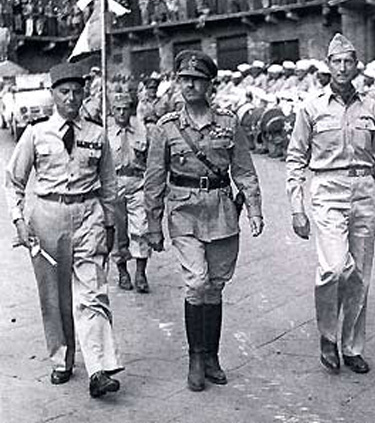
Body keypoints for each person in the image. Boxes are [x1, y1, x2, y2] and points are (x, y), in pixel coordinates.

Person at [286, 33, 375, 375]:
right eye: (336, 61)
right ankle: (328, 335)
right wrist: (297, 206)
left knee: (360, 275)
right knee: (334, 268)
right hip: (327, 188)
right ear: (328, 66)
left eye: (348, 61)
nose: (342, 67)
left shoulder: (372, 108)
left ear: (356, 66)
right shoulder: (311, 107)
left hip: (365, 189)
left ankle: (352, 347)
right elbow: (295, 158)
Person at [144, 50, 264, 392]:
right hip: (184, 213)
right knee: (196, 282)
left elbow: (243, 168)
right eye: (184, 79)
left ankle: (211, 357)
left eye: (196, 79)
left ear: (210, 84)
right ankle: (195, 357)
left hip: (222, 211)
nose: (189, 85)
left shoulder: (228, 122)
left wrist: (254, 208)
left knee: (215, 285)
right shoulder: (166, 127)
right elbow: (154, 178)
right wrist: (153, 224)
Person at [5, 62, 123, 398]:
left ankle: (99, 368)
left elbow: (110, 184)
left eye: (77, 91)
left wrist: (110, 222)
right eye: (64, 92)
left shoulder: (96, 134)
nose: (71, 98)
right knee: (54, 297)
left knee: (94, 293)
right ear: (53, 94)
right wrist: (19, 220)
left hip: (88, 215)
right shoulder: (36, 133)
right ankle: (62, 360)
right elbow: (14, 180)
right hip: (47, 216)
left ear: (85, 92)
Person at [107, 91, 151, 293]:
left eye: (126, 109)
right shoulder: (104, 132)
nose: (122, 113)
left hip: (137, 183)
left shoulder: (142, 129)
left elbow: (151, 158)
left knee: (141, 229)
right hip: (114, 185)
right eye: (118, 109)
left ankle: (141, 273)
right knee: (117, 232)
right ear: (112, 110)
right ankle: (122, 271)